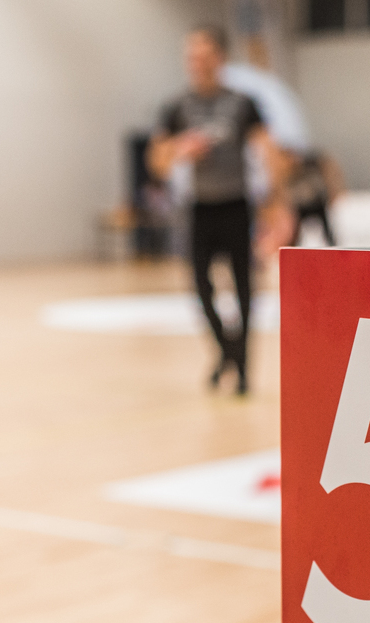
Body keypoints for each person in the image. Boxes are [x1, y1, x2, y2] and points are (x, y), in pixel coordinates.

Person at [150, 25, 277, 395]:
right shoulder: (176, 106)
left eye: (203, 56)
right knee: (202, 290)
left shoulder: (242, 103)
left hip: (236, 205)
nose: (196, 63)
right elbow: (157, 161)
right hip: (200, 209)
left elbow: (268, 148)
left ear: (220, 58)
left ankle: (243, 368)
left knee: (244, 290)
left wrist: (275, 201)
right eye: (191, 56)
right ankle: (226, 352)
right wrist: (179, 150)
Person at [286, 149, 341, 246]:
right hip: (302, 205)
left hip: (317, 203)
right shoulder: (293, 173)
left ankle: (332, 245)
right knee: (297, 229)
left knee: (326, 229)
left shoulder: (313, 167)